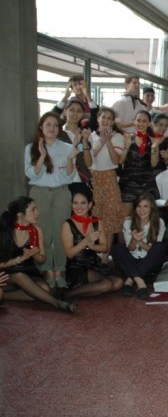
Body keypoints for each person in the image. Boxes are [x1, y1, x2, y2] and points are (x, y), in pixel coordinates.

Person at [25, 112, 78, 289]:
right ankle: (47, 269)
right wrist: (41, 156)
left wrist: (70, 159)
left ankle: (60, 270)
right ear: (41, 127)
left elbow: (69, 176)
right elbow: (31, 174)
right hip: (39, 193)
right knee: (43, 232)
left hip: (61, 192)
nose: (52, 128)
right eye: (48, 124)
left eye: (55, 125)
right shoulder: (31, 148)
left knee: (61, 232)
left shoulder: (67, 147)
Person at [0, 197, 75, 312]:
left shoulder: (36, 230)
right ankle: (57, 303)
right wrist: (20, 259)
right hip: (8, 275)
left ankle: (5, 296)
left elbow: (42, 260)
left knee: (44, 289)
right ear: (20, 215)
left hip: (29, 271)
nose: (37, 213)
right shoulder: (5, 230)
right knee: (20, 276)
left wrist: (35, 255)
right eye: (33, 210)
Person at [61, 189, 123, 298]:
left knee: (119, 282)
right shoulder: (67, 224)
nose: (79, 206)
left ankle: (87, 289)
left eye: (83, 203)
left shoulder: (96, 221)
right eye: (75, 203)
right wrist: (85, 241)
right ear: (72, 205)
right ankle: (68, 295)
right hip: (77, 267)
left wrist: (92, 246)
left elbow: (104, 248)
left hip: (93, 264)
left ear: (89, 205)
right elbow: (69, 254)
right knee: (107, 284)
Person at [111, 193, 167, 300]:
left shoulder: (159, 222)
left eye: (145, 206)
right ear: (135, 207)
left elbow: (154, 251)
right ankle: (140, 281)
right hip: (131, 259)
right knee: (117, 248)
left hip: (149, 261)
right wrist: (134, 240)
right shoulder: (128, 221)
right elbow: (130, 248)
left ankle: (130, 279)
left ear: (151, 208)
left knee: (160, 247)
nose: (142, 210)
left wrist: (140, 242)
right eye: (139, 206)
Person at [89, 108, 126, 264]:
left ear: (113, 121)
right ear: (98, 118)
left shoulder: (118, 137)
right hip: (94, 178)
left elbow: (116, 160)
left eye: (109, 118)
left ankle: (106, 254)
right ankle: (95, 250)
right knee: (97, 216)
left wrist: (108, 141)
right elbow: (90, 159)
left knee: (110, 217)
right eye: (103, 117)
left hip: (109, 176)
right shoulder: (90, 136)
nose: (105, 120)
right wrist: (102, 141)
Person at [119, 110, 160, 217]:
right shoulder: (128, 138)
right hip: (128, 182)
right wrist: (126, 147)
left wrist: (154, 149)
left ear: (149, 123)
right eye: (138, 120)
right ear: (134, 122)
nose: (141, 123)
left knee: (147, 217)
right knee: (125, 216)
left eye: (144, 121)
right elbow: (120, 161)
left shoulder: (153, 140)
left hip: (146, 183)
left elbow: (154, 164)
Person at [57, 97, 93, 192]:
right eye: (71, 110)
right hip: (61, 179)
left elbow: (89, 163)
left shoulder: (86, 134)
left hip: (81, 179)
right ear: (65, 111)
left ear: (83, 114)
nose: (75, 113)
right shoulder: (57, 134)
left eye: (79, 111)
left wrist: (85, 142)